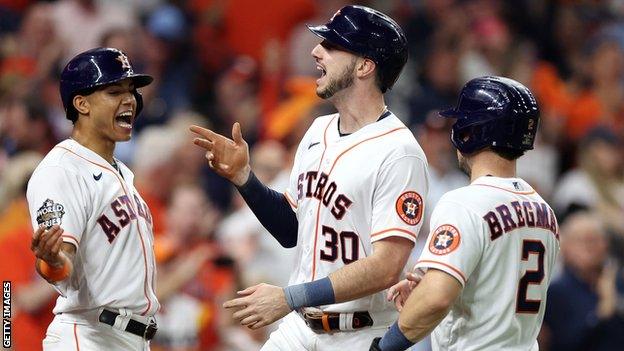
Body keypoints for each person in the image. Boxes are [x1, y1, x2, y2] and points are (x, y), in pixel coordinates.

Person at [190, 5, 429, 350]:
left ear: (364, 66)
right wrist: (245, 178)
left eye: (331, 46)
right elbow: (292, 231)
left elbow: (386, 267)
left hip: (358, 333)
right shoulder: (318, 130)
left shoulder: (398, 152)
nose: (316, 52)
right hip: (299, 330)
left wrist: (290, 296)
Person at [370, 76, 560, 351]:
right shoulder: (545, 211)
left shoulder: (464, 202)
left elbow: (436, 299)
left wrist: (384, 347)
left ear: (469, 132)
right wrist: (428, 283)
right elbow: (496, 284)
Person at [26, 47, 159, 350]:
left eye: (131, 91)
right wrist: (50, 260)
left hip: (128, 338)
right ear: (81, 103)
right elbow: (60, 262)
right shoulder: (62, 170)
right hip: (89, 337)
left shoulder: (121, 170)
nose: (130, 100)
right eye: (114, 92)